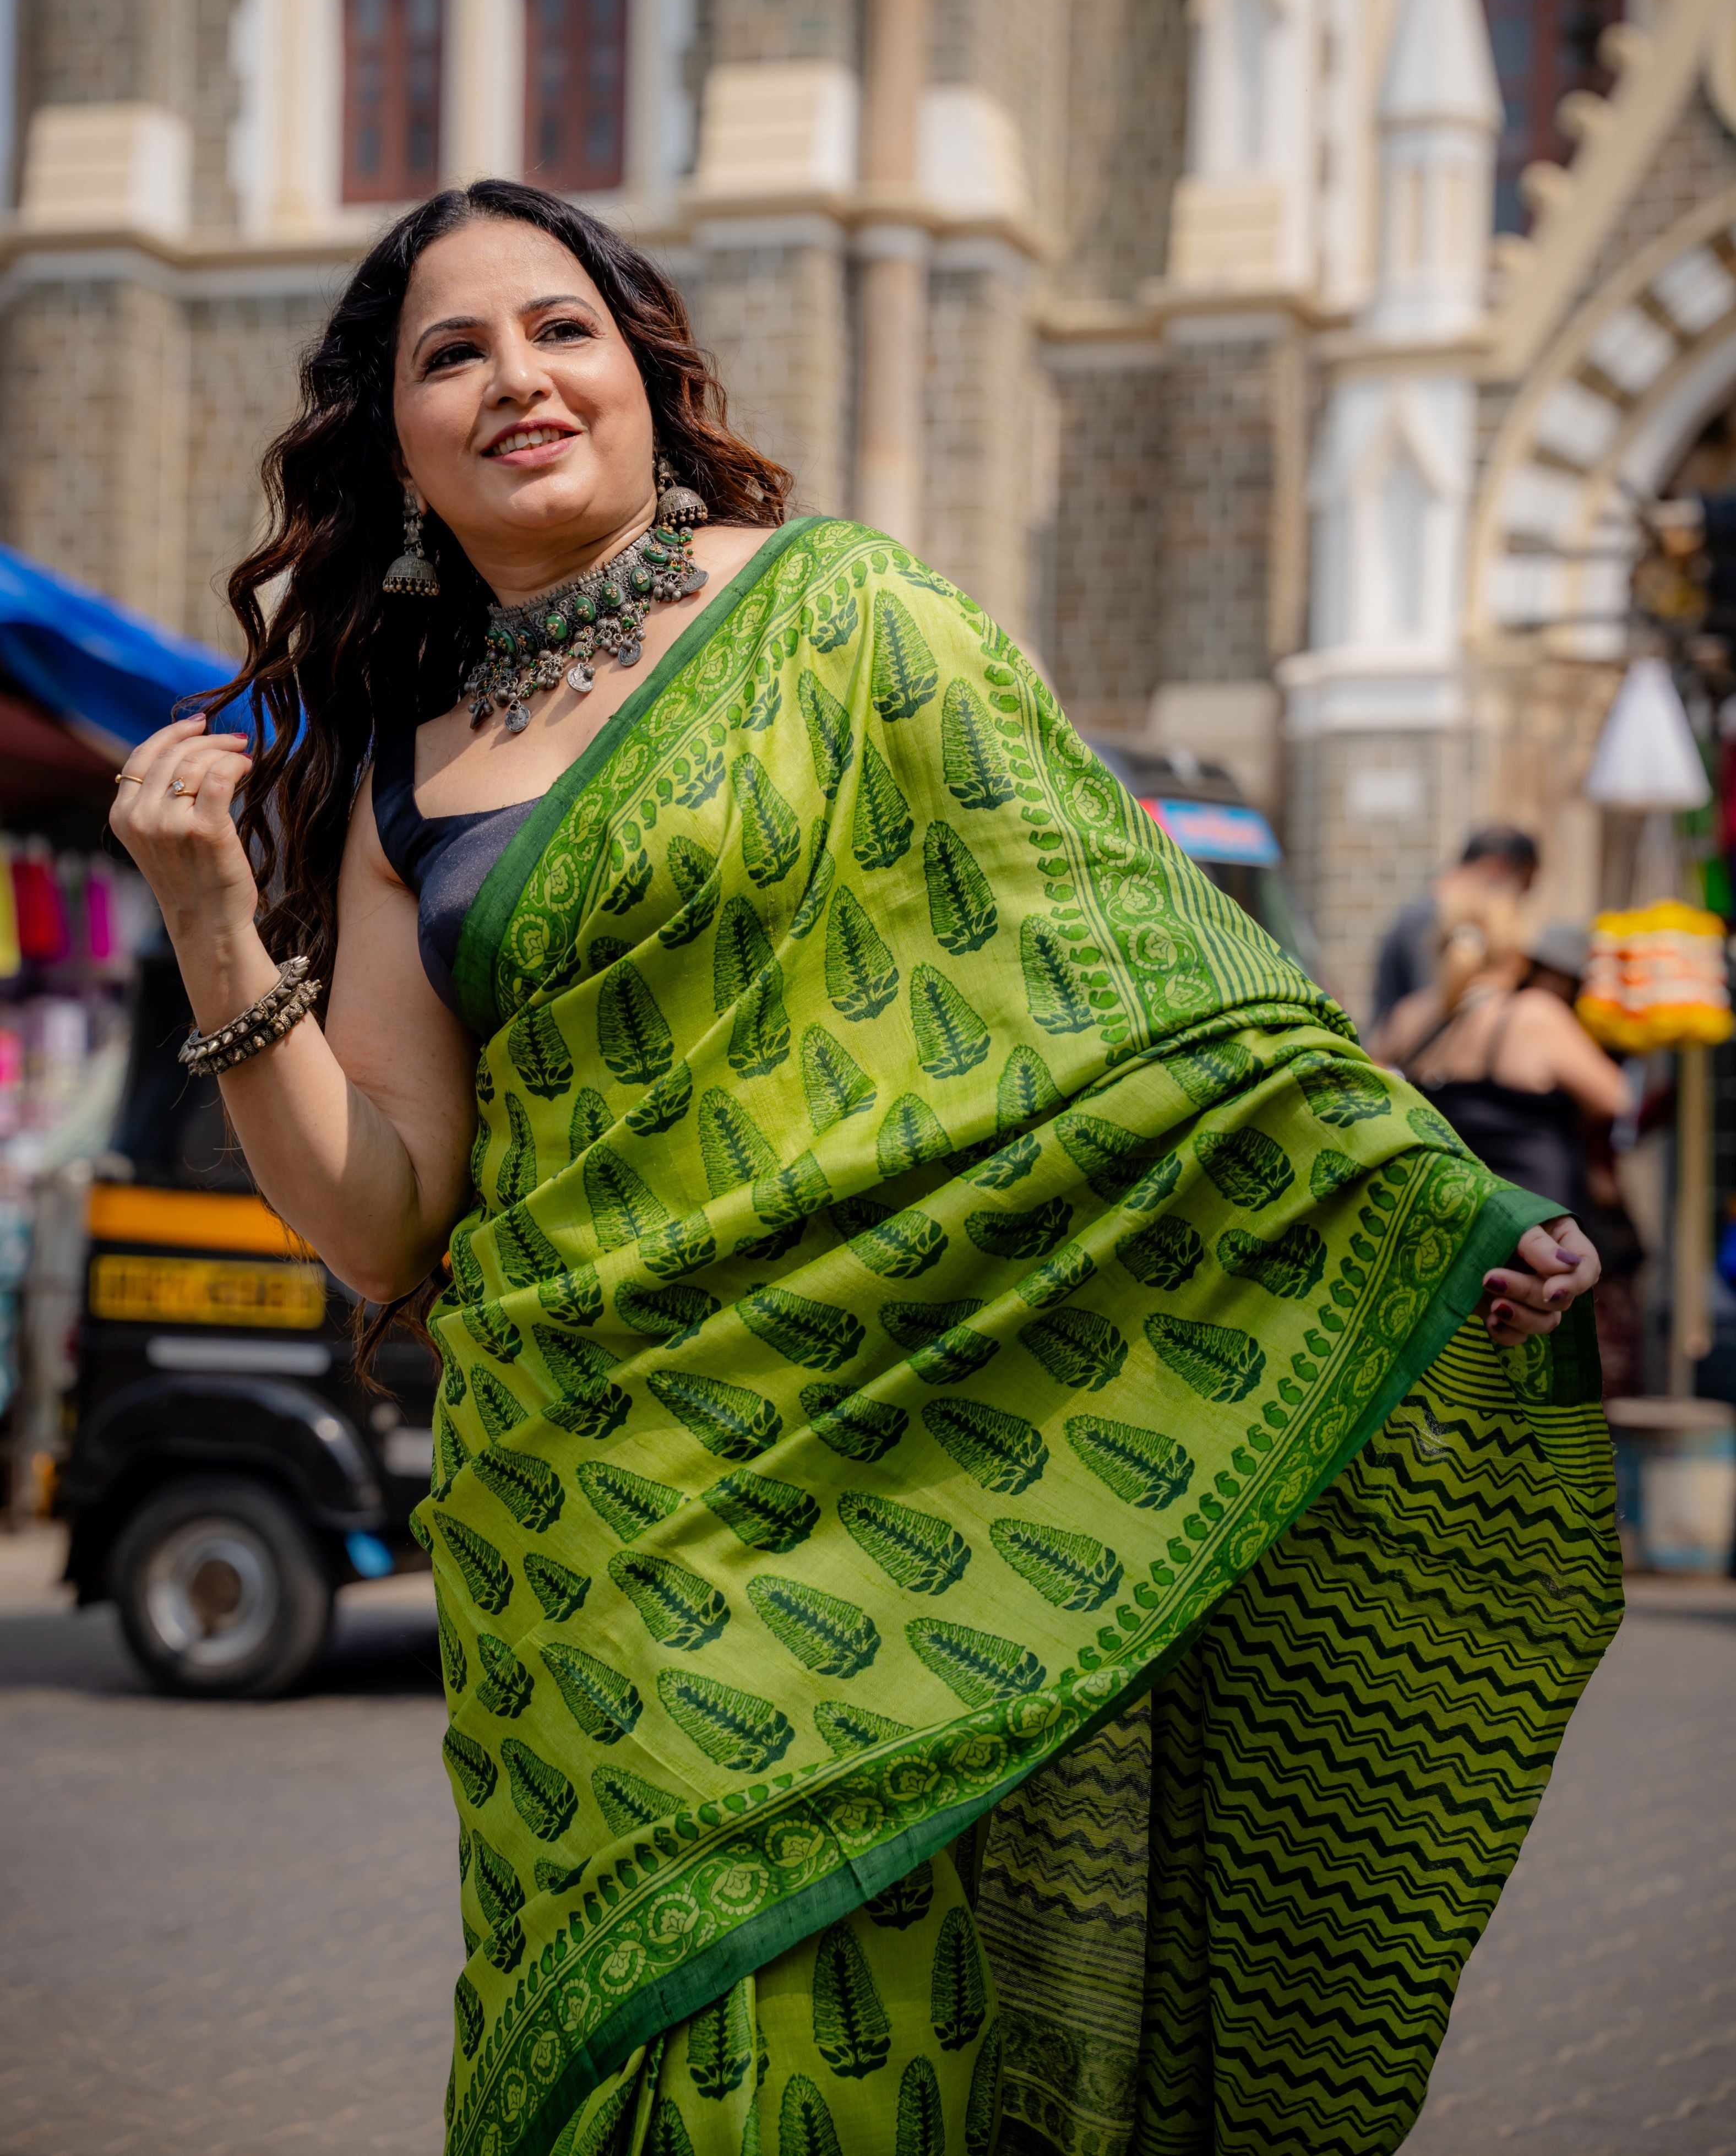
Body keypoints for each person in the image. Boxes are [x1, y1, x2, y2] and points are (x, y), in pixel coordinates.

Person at [108, 183, 1614, 2156]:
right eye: (449, 354)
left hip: (882, 1481)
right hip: (589, 1537)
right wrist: (216, 916)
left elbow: (1138, 975)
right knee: (634, 2060)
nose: (514, 379)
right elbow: (387, 1212)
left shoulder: (844, 620)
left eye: (559, 330)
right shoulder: (406, 772)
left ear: (644, 373)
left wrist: (1431, 1205)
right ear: (389, 442)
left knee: (846, 2069)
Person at [1374, 898, 1629, 1208]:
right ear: (1520, 958)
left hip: (1440, 1215)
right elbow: (1617, 1099)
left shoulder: (1407, 1017)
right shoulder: (1533, 1014)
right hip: (1532, 1220)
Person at [1372, 825, 1540, 1034]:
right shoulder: (1435, 919)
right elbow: (1438, 1010)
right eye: (1521, 888)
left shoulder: (1425, 911)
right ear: (1498, 865)